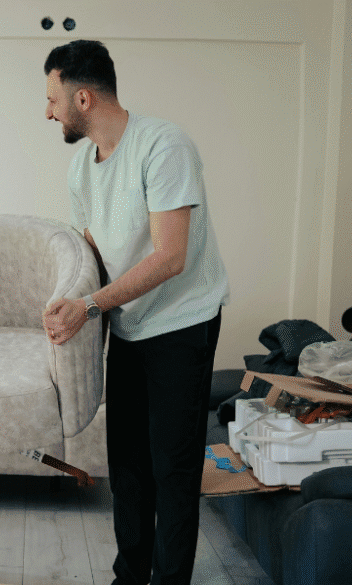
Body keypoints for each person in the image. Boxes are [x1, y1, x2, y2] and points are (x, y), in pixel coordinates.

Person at [40, 40, 230, 585]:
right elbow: (94, 253)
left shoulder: (163, 145)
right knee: (126, 465)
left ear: (82, 98)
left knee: (171, 467)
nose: (46, 111)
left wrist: (90, 305)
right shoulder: (82, 166)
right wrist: (70, 301)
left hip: (182, 323)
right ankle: (131, 577)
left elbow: (170, 257)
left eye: (52, 99)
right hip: (126, 323)